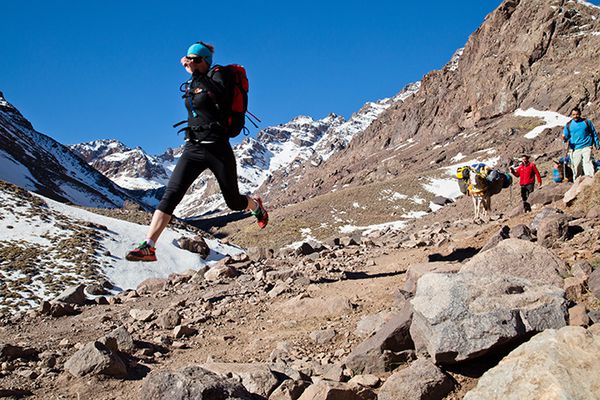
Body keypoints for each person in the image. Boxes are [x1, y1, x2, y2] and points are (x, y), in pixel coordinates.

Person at [126, 42, 268, 262]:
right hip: (193, 147)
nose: (190, 62)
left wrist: (198, 75)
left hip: (217, 147)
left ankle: (255, 205)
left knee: (233, 201)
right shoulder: (194, 82)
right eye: (188, 58)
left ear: (205, 61)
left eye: (195, 59)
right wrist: (195, 75)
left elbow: (219, 95)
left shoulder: (218, 75)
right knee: (170, 195)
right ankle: (149, 246)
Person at [563, 107, 599, 179]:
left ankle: (590, 178)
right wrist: (564, 138)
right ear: (571, 115)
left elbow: (593, 133)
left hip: (587, 145)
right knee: (576, 165)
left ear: (580, 114)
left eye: (577, 114)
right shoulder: (569, 125)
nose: (575, 116)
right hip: (576, 148)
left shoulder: (586, 122)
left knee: (587, 162)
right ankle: (577, 180)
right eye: (573, 115)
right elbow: (566, 137)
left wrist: (597, 143)